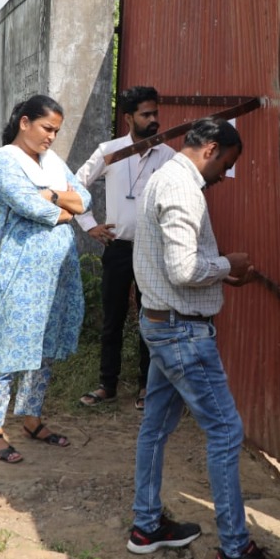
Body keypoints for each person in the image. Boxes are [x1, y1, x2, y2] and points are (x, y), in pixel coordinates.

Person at [126, 117, 280, 559]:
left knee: (155, 427)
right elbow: (182, 268)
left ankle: (147, 525)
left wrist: (220, 273)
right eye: (227, 164)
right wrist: (228, 265)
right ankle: (235, 553)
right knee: (225, 431)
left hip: (161, 324)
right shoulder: (182, 187)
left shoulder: (163, 175)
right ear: (212, 150)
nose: (224, 175)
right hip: (181, 333)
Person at [0, 94, 91, 463]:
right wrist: (58, 205)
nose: (52, 137)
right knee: (7, 348)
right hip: (18, 272)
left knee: (43, 349)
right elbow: (32, 207)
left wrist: (51, 193)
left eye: (56, 130)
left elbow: (83, 201)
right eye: (46, 128)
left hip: (56, 275)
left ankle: (32, 419)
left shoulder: (50, 163)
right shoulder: (3, 161)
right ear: (24, 122)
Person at [73, 86, 174, 410]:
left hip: (152, 251)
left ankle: (148, 387)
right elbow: (75, 185)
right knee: (113, 318)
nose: (154, 120)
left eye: (155, 113)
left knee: (151, 319)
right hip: (118, 249)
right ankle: (108, 384)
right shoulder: (110, 151)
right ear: (128, 117)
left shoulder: (168, 156)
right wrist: (90, 225)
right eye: (146, 114)